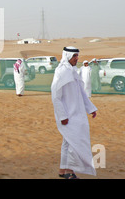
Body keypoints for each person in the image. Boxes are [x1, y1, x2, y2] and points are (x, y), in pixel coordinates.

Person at [51, 46, 98, 179]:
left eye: (77, 56)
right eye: (74, 56)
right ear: (67, 57)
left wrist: (91, 108)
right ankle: (70, 172)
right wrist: (62, 115)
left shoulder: (72, 71)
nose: (77, 59)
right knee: (74, 142)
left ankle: (63, 170)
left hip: (77, 114)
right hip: (68, 115)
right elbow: (55, 96)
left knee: (68, 142)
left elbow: (81, 93)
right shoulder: (61, 72)